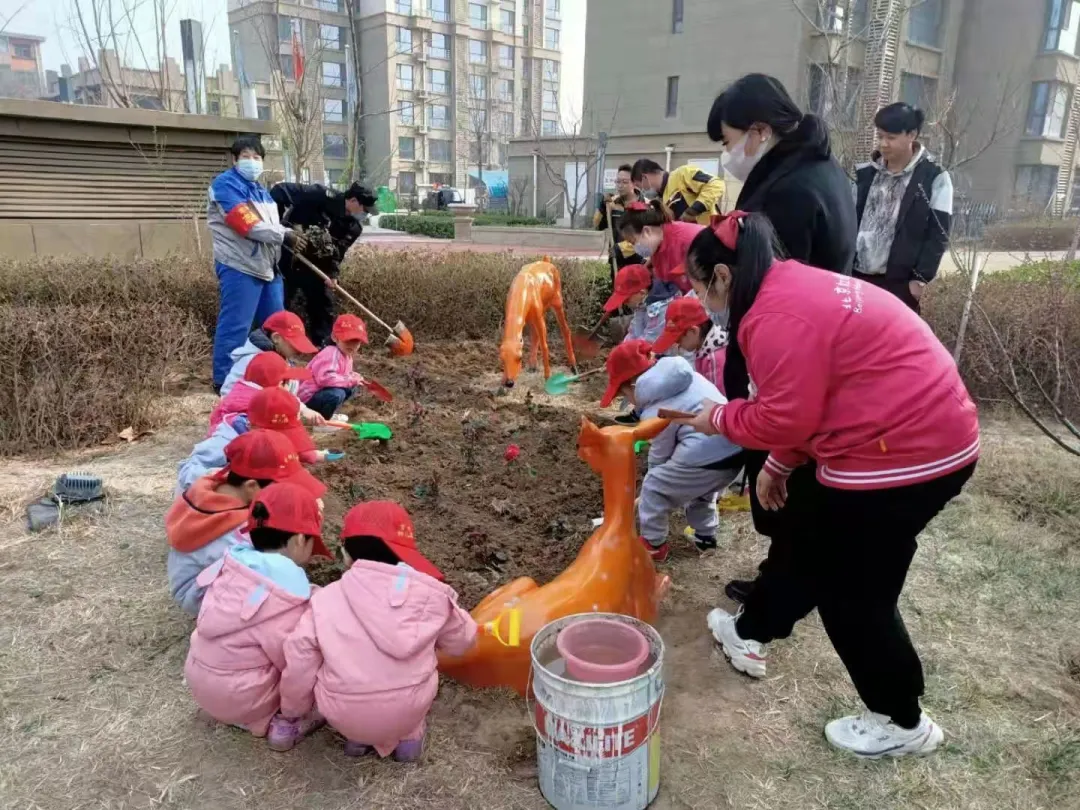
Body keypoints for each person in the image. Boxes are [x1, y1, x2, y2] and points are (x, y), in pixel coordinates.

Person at [675, 211, 979, 758]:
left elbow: (782, 417)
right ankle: (751, 632)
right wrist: (779, 465)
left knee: (855, 590)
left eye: (697, 286)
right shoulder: (791, 283)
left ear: (722, 277)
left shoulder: (772, 317)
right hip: (910, 431)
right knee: (807, 532)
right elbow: (812, 400)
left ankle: (901, 720)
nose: (699, 299)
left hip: (904, 452)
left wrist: (718, 419)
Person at [705, 73, 858, 605]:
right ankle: (786, 573)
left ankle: (785, 587)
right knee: (794, 477)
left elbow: (772, 286)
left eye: (727, 142)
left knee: (784, 479)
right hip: (815, 352)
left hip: (789, 359)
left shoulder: (791, 189)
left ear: (760, 129)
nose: (727, 155)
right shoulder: (820, 171)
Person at [279, 501, 477, 760]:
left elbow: (300, 657)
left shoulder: (324, 599)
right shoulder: (430, 595)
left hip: (343, 713)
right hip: (408, 708)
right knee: (412, 696)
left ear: (346, 554)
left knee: (350, 696)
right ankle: (408, 740)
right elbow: (463, 643)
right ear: (406, 555)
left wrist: (294, 709)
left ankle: (357, 739)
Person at [184, 482, 331, 745]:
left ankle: (225, 710)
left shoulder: (232, 568)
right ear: (300, 539)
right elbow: (296, 664)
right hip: (243, 699)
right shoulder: (287, 599)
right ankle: (281, 724)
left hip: (200, 683)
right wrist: (295, 710)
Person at [600, 340, 742, 561]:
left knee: (655, 487)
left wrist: (653, 482)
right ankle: (705, 536)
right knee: (701, 492)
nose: (627, 401)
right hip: (734, 450)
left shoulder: (657, 410)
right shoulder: (685, 375)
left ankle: (653, 545)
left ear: (633, 385)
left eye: (624, 394)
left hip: (705, 454)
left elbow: (660, 452)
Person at [166, 430, 327, 617]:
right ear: (251, 487)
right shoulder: (239, 531)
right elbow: (280, 563)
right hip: (199, 596)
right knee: (280, 556)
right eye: (282, 487)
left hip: (190, 575)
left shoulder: (212, 483)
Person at [208, 136, 307, 393]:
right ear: (234, 159)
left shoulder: (260, 190)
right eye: (246, 156)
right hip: (239, 266)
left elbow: (269, 225)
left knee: (278, 325)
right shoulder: (224, 185)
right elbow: (246, 225)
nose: (252, 162)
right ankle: (224, 381)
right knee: (236, 325)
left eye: (257, 157)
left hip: (268, 267)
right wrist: (284, 234)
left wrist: (286, 230)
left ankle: (282, 374)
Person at [854, 103, 953, 313]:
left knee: (890, 344)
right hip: (856, 278)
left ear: (912, 135)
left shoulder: (934, 177)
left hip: (899, 284)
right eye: (880, 136)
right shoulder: (866, 174)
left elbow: (939, 233)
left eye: (890, 137)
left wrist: (919, 280)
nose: (883, 144)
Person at [271, 182, 377, 347]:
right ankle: (273, 343)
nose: (366, 215)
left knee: (323, 305)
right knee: (279, 301)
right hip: (289, 257)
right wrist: (281, 229)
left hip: (317, 266)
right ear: (354, 201)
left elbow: (337, 253)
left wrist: (333, 275)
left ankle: (322, 346)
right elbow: (279, 191)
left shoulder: (353, 228)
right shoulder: (320, 195)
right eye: (365, 209)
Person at [208, 352, 312, 435]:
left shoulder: (240, 393)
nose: (288, 387)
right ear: (278, 385)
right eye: (285, 382)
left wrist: (303, 409)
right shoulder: (255, 411)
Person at [220, 311, 318, 399]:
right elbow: (227, 393)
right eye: (293, 343)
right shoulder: (252, 359)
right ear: (276, 338)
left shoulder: (283, 356)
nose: (298, 349)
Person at [618, 200, 699, 296]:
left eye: (633, 242)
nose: (634, 248)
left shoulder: (689, 240)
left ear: (647, 231)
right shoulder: (657, 247)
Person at [297, 314, 369, 420]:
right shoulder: (331, 353)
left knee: (352, 387)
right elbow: (325, 378)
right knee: (336, 394)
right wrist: (350, 379)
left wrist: (354, 377)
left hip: (321, 393)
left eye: (357, 342)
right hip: (308, 398)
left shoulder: (347, 355)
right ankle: (323, 420)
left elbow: (342, 375)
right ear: (335, 337)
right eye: (348, 339)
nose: (352, 345)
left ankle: (329, 413)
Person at [652, 295, 729, 394]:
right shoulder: (704, 349)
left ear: (693, 331)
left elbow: (719, 398)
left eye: (678, 340)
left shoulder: (713, 359)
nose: (677, 345)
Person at [630, 159, 725, 225]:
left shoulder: (682, 174)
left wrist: (695, 209)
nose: (643, 191)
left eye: (640, 187)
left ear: (644, 177)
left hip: (712, 234)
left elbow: (715, 184)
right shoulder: (662, 200)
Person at [593, 164, 644, 281]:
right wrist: (602, 208)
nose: (620, 186)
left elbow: (645, 238)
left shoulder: (645, 206)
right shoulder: (612, 203)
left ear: (634, 183)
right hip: (616, 261)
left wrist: (621, 249)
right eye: (618, 182)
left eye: (625, 182)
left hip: (636, 262)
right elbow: (597, 225)